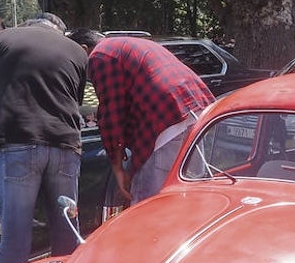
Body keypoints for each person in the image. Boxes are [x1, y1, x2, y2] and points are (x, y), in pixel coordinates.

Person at [0, 12, 89, 263]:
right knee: (66, 229)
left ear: (27, 25)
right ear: (60, 31)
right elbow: (78, 100)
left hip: (18, 141)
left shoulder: (2, 40)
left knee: (15, 233)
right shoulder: (77, 51)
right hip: (66, 145)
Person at [80, 33, 215, 205]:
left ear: (84, 49)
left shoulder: (100, 55)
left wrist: (118, 168)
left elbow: (112, 113)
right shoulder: (127, 44)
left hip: (167, 115)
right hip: (196, 106)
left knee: (149, 201)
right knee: (188, 191)